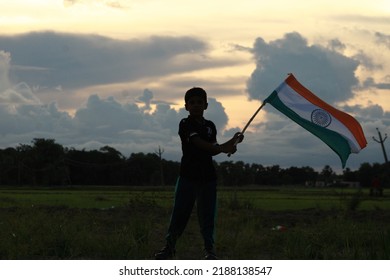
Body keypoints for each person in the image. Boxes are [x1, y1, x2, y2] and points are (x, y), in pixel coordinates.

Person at [154, 87, 243, 260]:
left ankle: (209, 251)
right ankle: (169, 249)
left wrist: (234, 140)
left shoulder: (210, 126)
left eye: (199, 102)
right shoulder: (185, 124)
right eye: (192, 102)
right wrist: (224, 147)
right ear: (186, 106)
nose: (196, 105)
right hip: (188, 176)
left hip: (208, 178)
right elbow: (199, 143)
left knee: (207, 216)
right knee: (180, 214)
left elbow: (214, 150)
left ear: (206, 105)